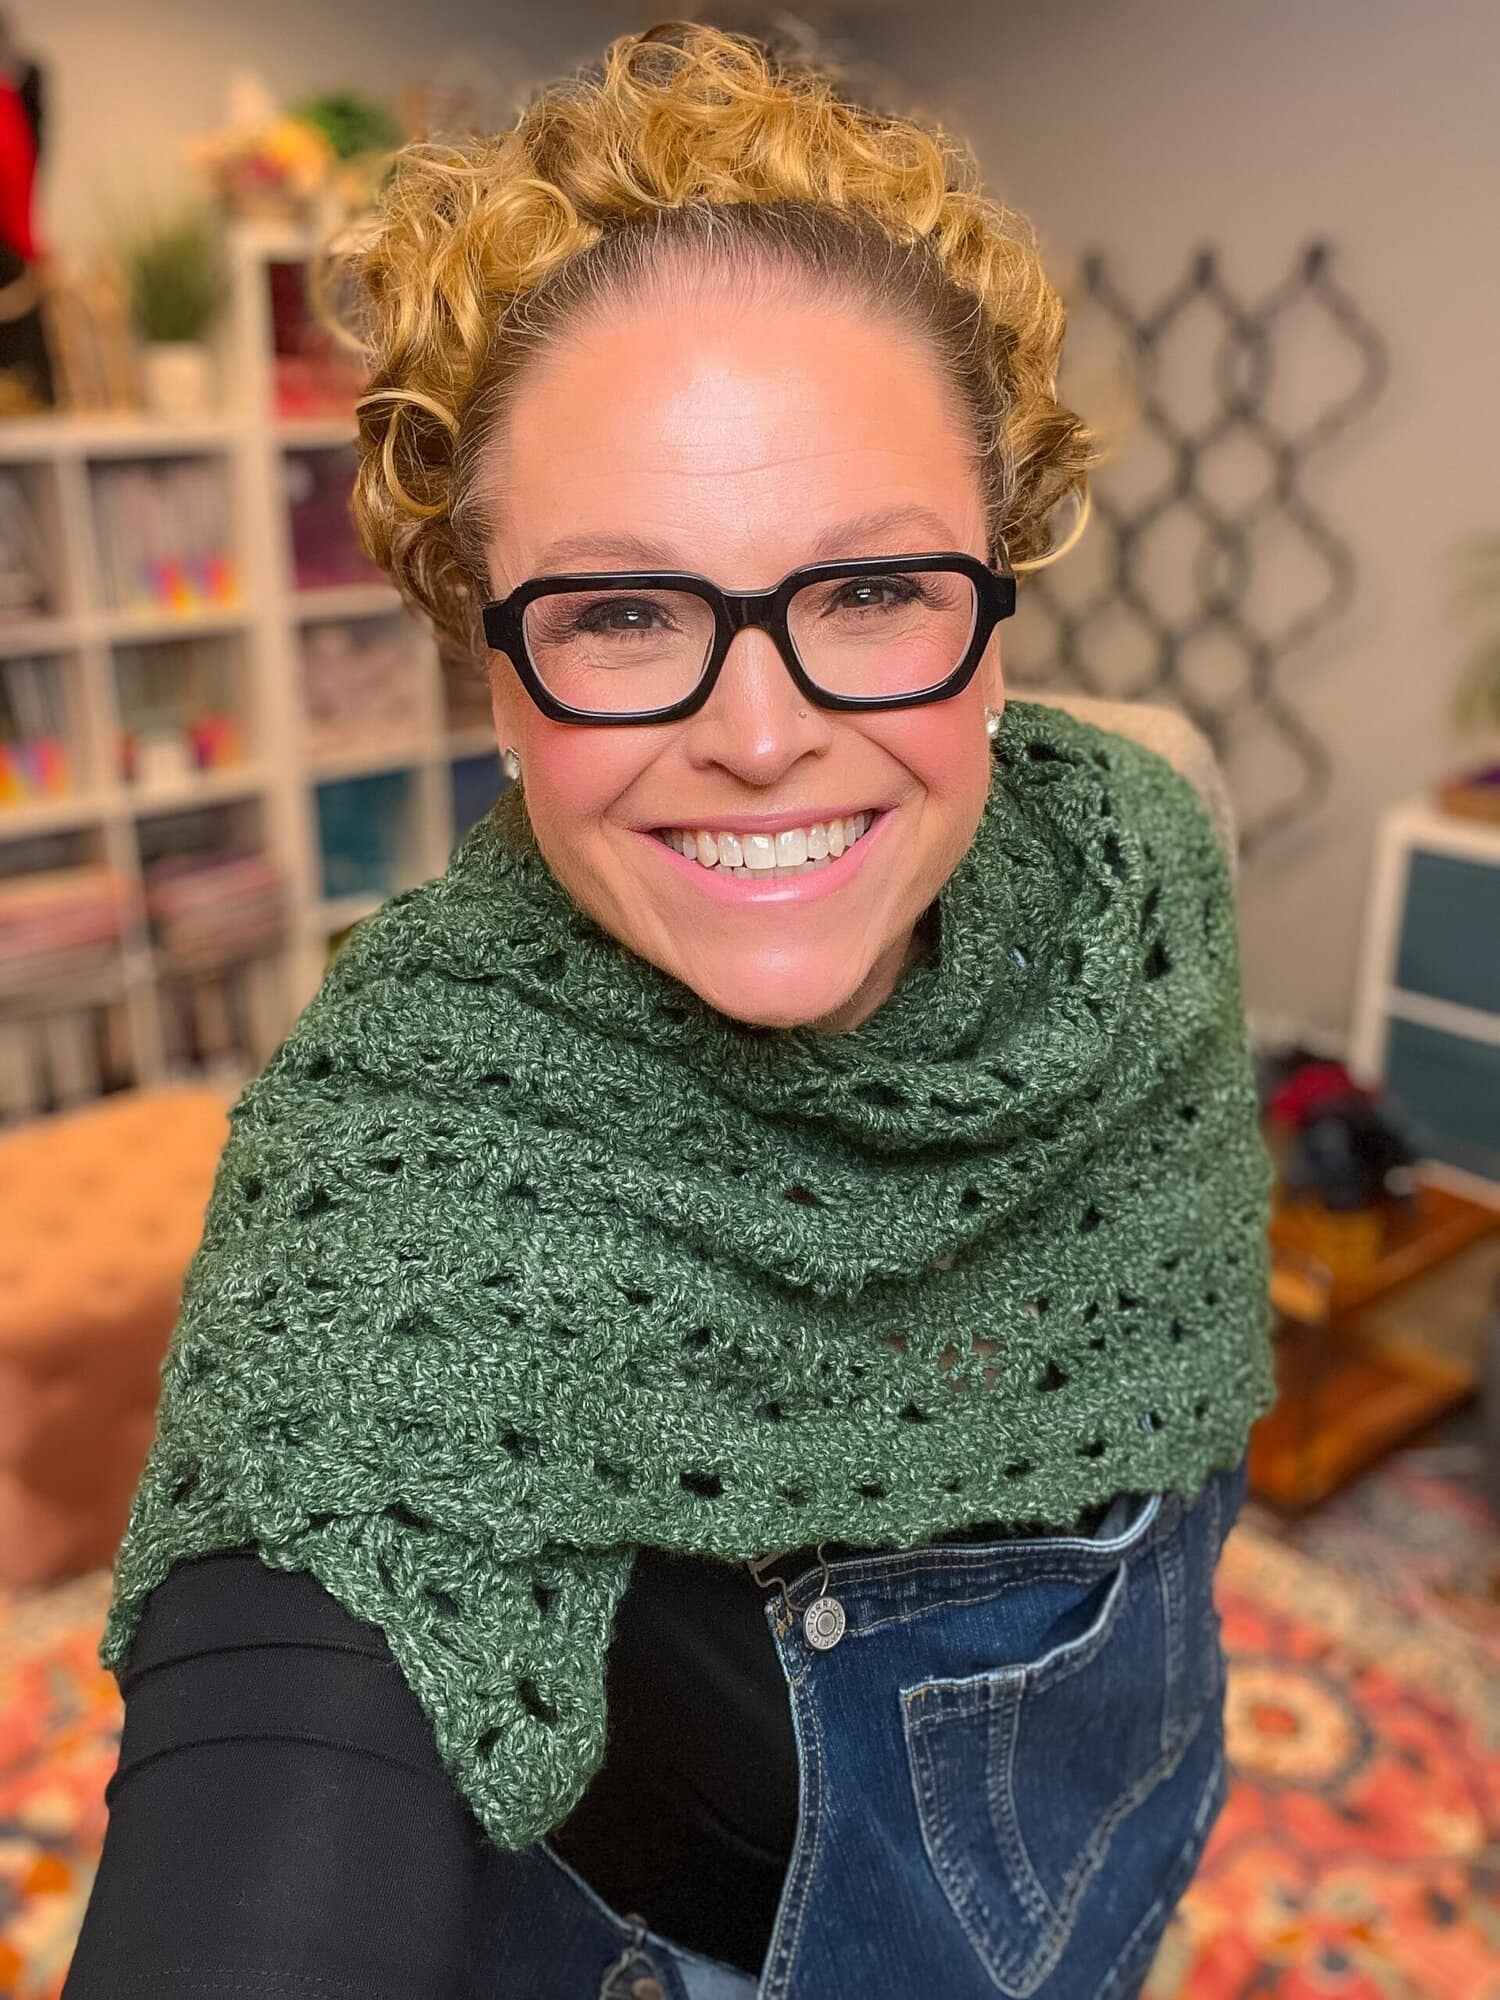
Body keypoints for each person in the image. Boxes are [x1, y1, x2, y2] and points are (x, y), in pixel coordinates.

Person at [64, 20, 1273, 1999]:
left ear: (1000, 604)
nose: (766, 735)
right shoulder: (408, 1167)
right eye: (625, 613)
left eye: (873, 587)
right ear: (494, 670)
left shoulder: (1133, 865)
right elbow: (276, 1765)